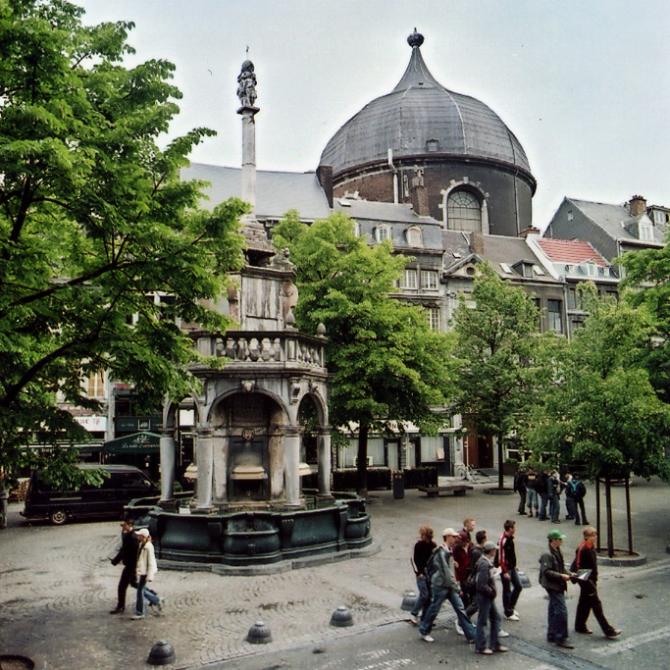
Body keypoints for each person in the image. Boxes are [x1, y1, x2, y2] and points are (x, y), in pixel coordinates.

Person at [418, 528, 476, 644]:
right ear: (448, 537)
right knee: (435, 608)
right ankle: (424, 630)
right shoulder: (442, 551)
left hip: (447, 585)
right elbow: (446, 572)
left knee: (459, 608)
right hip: (441, 586)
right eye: (453, 537)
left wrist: (452, 563)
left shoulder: (448, 550)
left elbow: (447, 568)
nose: (455, 539)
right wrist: (456, 587)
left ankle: (471, 635)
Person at [573, 527, 622, 639]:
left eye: (595, 535)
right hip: (586, 580)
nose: (595, 537)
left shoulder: (591, 547)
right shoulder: (583, 549)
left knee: (584, 604)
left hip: (591, 579)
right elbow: (579, 566)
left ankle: (579, 626)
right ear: (586, 537)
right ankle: (608, 630)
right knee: (596, 606)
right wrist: (587, 583)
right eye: (593, 536)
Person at [539, 529, 575, 649]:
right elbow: (547, 572)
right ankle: (561, 637)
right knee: (561, 611)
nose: (562, 541)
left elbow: (560, 567)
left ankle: (552, 633)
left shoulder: (557, 550)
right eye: (560, 539)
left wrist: (570, 573)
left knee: (553, 608)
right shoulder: (547, 554)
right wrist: (561, 576)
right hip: (552, 585)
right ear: (553, 540)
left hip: (557, 583)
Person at [474, 541, 508, 655]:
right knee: (482, 621)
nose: (496, 551)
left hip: (487, 596)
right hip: (485, 597)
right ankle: (481, 646)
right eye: (495, 549)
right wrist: (491, 591)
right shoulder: (484, 564)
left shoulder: (486, 562)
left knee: (495, 618)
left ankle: (494, 644)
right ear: (491, 551)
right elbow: (481, 584)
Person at [110, 518, 139, 614]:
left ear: (129, 525)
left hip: (130, 566)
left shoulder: (131, 538)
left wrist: (115, 561)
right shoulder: (130, 535)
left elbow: (124, 551)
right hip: (131, 566)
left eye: (124, 526)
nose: (122, 528)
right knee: (134, 584)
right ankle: (151, 594)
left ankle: (120, 606)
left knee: (122, 586)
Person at [409, 525, 437, 625]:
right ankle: (414, 613)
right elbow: (413, 559)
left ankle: (425, 617)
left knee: (429, 596)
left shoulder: (432, 545)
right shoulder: (418, 545)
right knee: (424, 594)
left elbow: (434, 558)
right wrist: (418, 572)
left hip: (429, 573)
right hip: (421, 574)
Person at [133, 528, 162, 620]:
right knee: (141, 590)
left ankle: (140, 612)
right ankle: (156, 600)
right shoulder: (142, 544)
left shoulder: (148, 547)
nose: (138, 536)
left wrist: (150, 576)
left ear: (143, 536)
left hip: (145, 573)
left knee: (140, 591)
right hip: (142, 571)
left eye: (139, 535)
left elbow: (151, 562)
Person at [453, 517, 476, 633]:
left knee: (467, 599)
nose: (474, 527)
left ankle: (465, 620)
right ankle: (461, 622)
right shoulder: (461, 541)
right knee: (464, 600)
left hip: (465, 574)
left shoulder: (465, 540)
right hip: (462, 576)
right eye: (472, 525)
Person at [498, 520, 522, 622]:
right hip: (506, 569)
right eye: (514, 527)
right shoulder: (503, 540)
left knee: (518, 586)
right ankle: (508, 612)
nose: (515, 529)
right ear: (510, 529)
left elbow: (510, 555)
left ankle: (510, 607)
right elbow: (501, 558)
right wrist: (505, 571)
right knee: (507, 590)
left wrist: (514, 566)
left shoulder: (510, 539)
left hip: (511, 567)